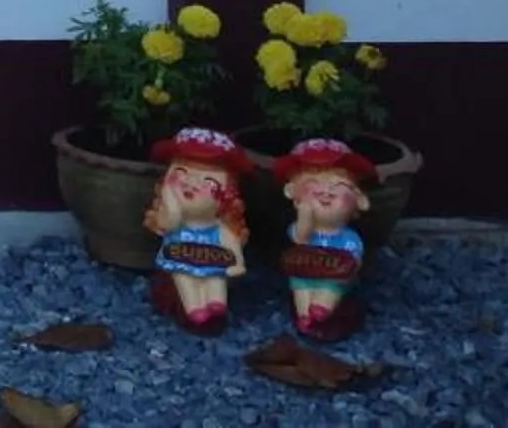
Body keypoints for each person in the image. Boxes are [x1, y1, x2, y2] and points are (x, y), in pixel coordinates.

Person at [144, 127, 253, 332]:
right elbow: (169, 221)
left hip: (213, 261)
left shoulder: (218, 228)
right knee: (184, 279)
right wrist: (170, 197)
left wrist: (237, 263)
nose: (191, 183)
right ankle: (193, 309)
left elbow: (231, 244)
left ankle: (216, 302)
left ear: (226, 196)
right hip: (180, 259)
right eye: (181, 173)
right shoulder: (175, 223)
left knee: (215, 278)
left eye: (208, 181)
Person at [272, 137, 376, 341]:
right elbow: (301, 239)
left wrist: (349, 268)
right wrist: (305, 214)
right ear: (293, 193)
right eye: (313, 184)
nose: (326, 192)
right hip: (303, 274)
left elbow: (353, 262)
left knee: (329, 290)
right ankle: (305, 316)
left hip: (333, 279)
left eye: (338, 186)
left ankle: (322, 310)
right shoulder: (301, 229)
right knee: (301, 290)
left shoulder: (348, 237)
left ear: (359, 201)